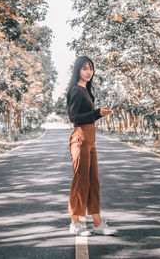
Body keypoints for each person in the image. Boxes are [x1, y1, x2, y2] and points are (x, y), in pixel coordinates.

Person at [66, 55, 118, 236]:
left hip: (90, 139)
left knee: (93, 182)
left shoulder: (86, 90)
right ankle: (75, 223)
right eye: (85, 69)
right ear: (78, 70)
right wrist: (96, 112)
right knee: (81, 181)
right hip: (80, 139)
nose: (89, 72)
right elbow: (74, 118)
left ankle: (97, 223)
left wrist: (99, 114)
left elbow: (87, 115)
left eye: (91, 69)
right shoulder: (76, 90)